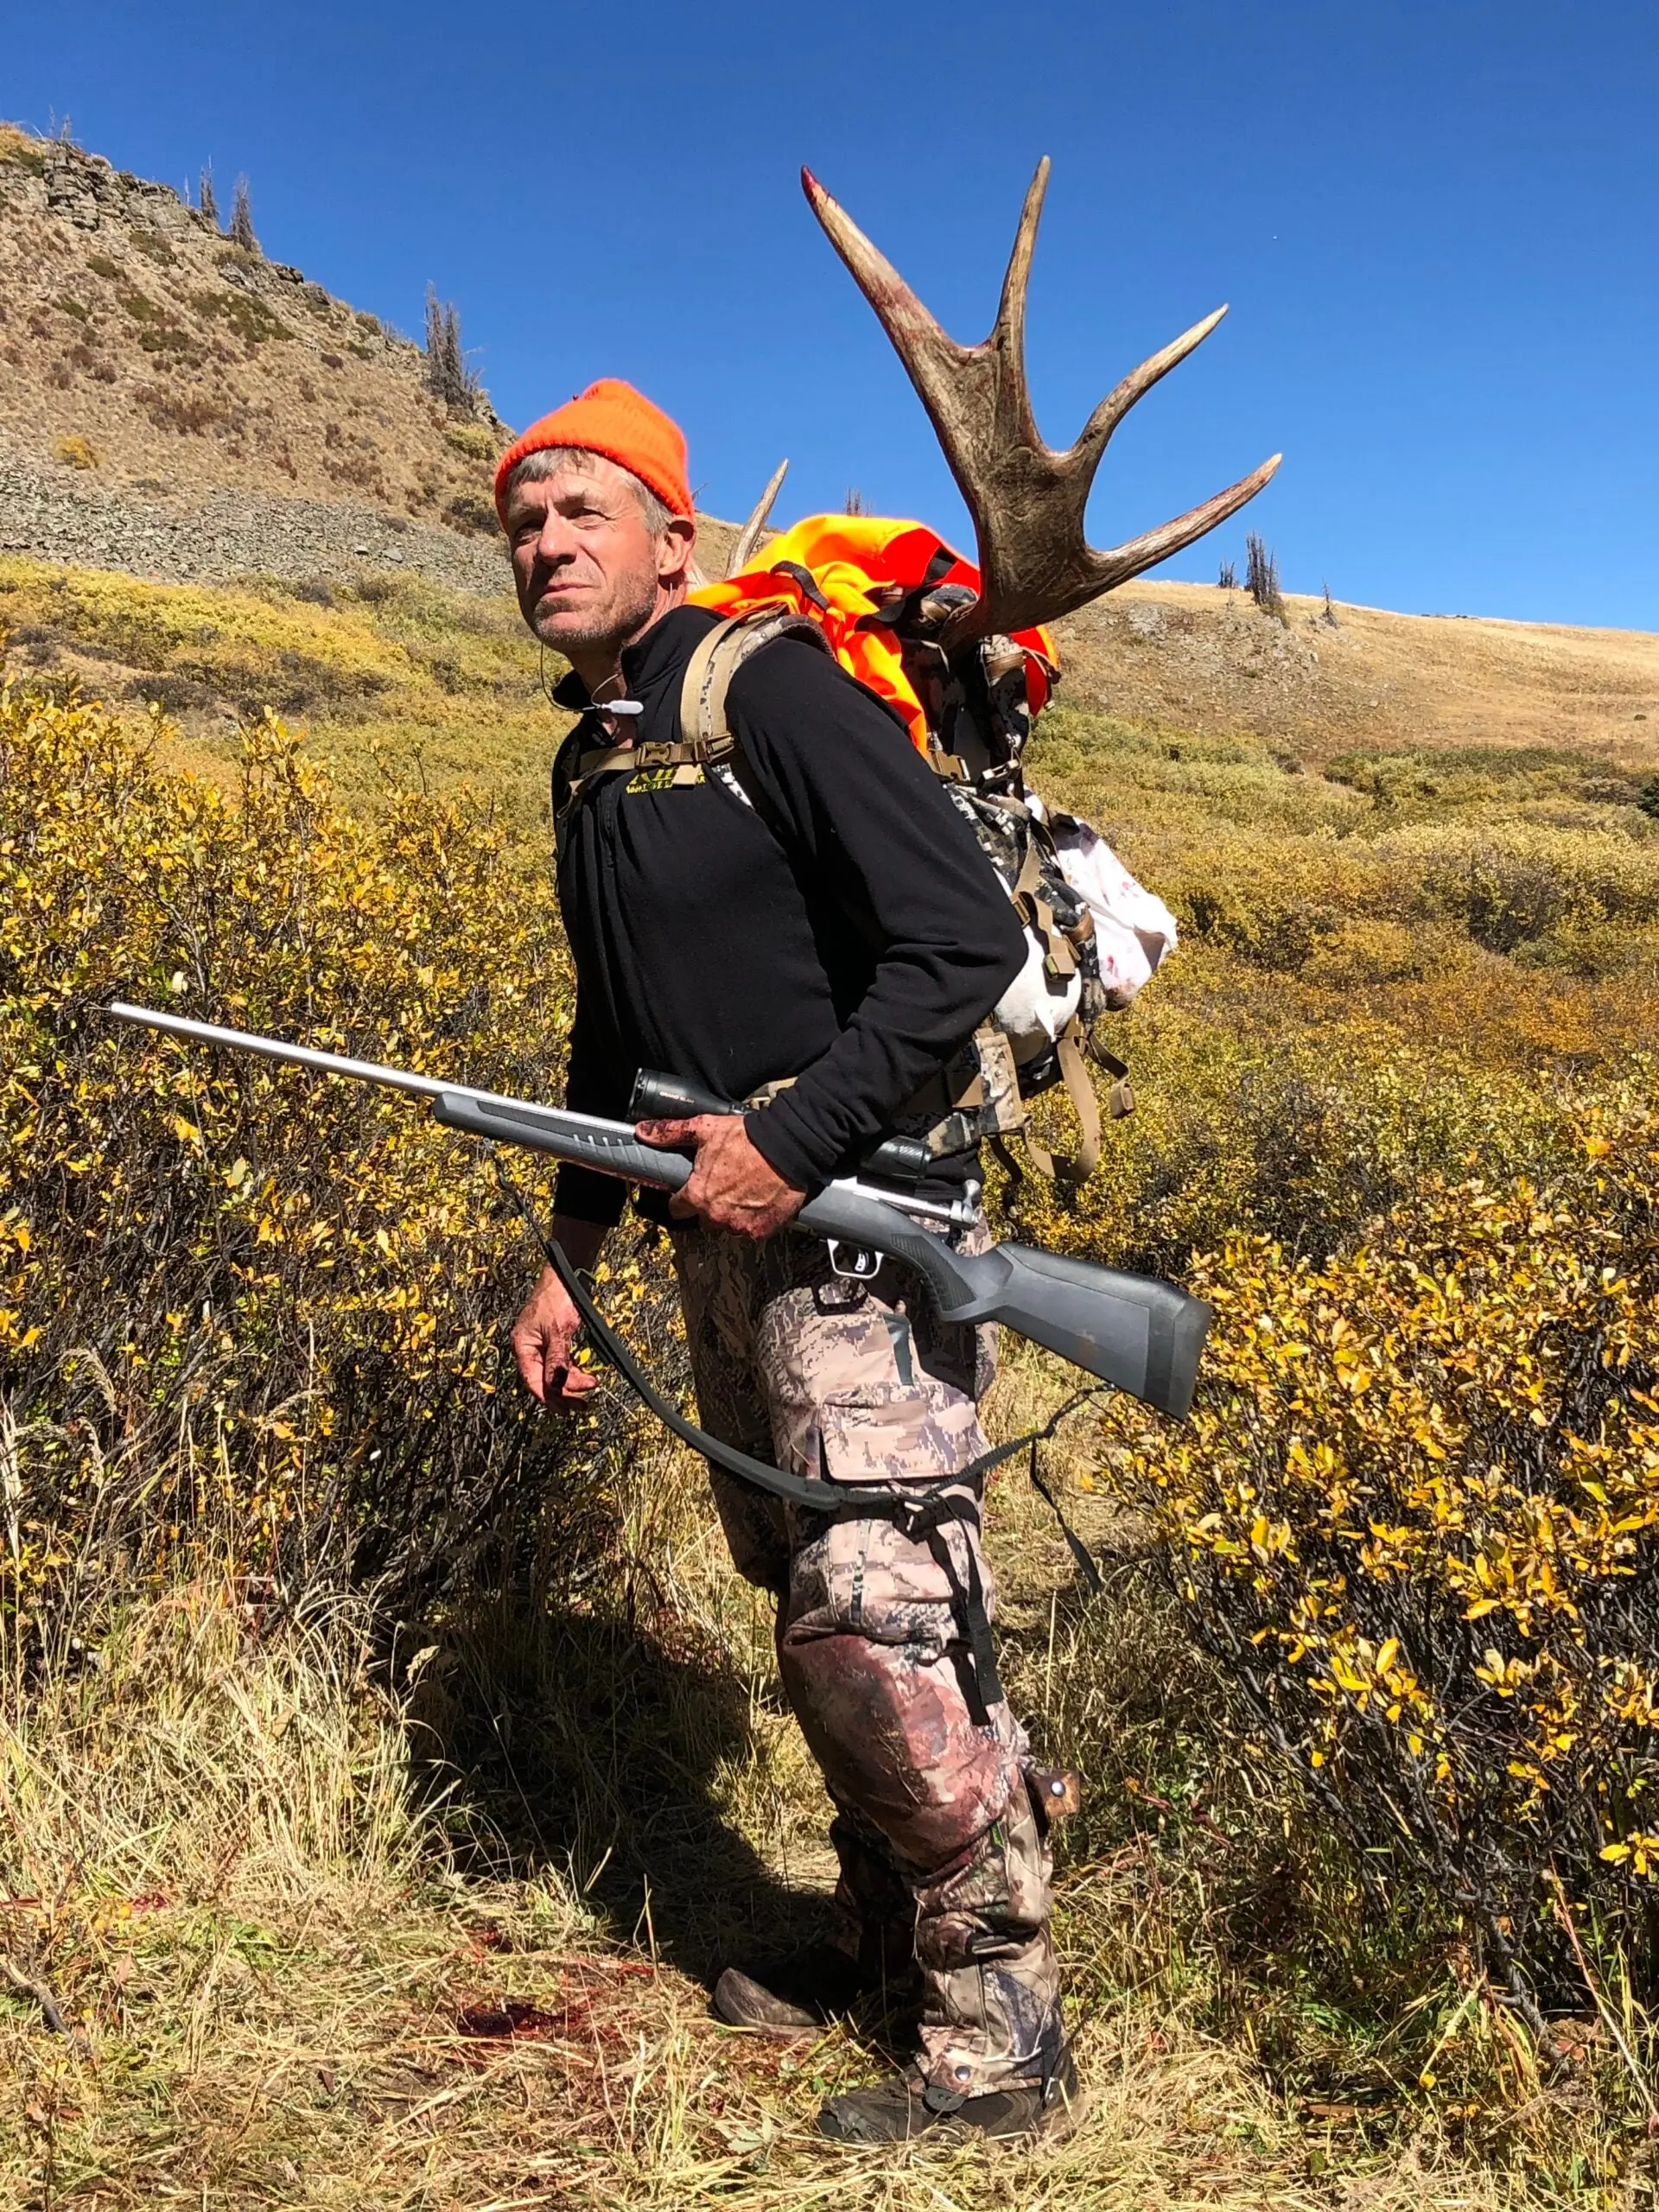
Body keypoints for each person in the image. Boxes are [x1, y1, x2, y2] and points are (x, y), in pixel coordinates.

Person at [499, 378, 1073, 2143]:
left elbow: (962, 940)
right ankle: (888, 1951)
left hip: (856, 1230)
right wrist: (566, 1260)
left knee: (877, 1617)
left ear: (673, 536)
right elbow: (617, 1037)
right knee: (813, 1592)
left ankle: (1003, 2037)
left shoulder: (771, 688)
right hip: (719, 1234)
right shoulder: (594, 754)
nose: (544, 546)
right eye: (521, 524)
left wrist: (788, 1141)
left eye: (581, 512)